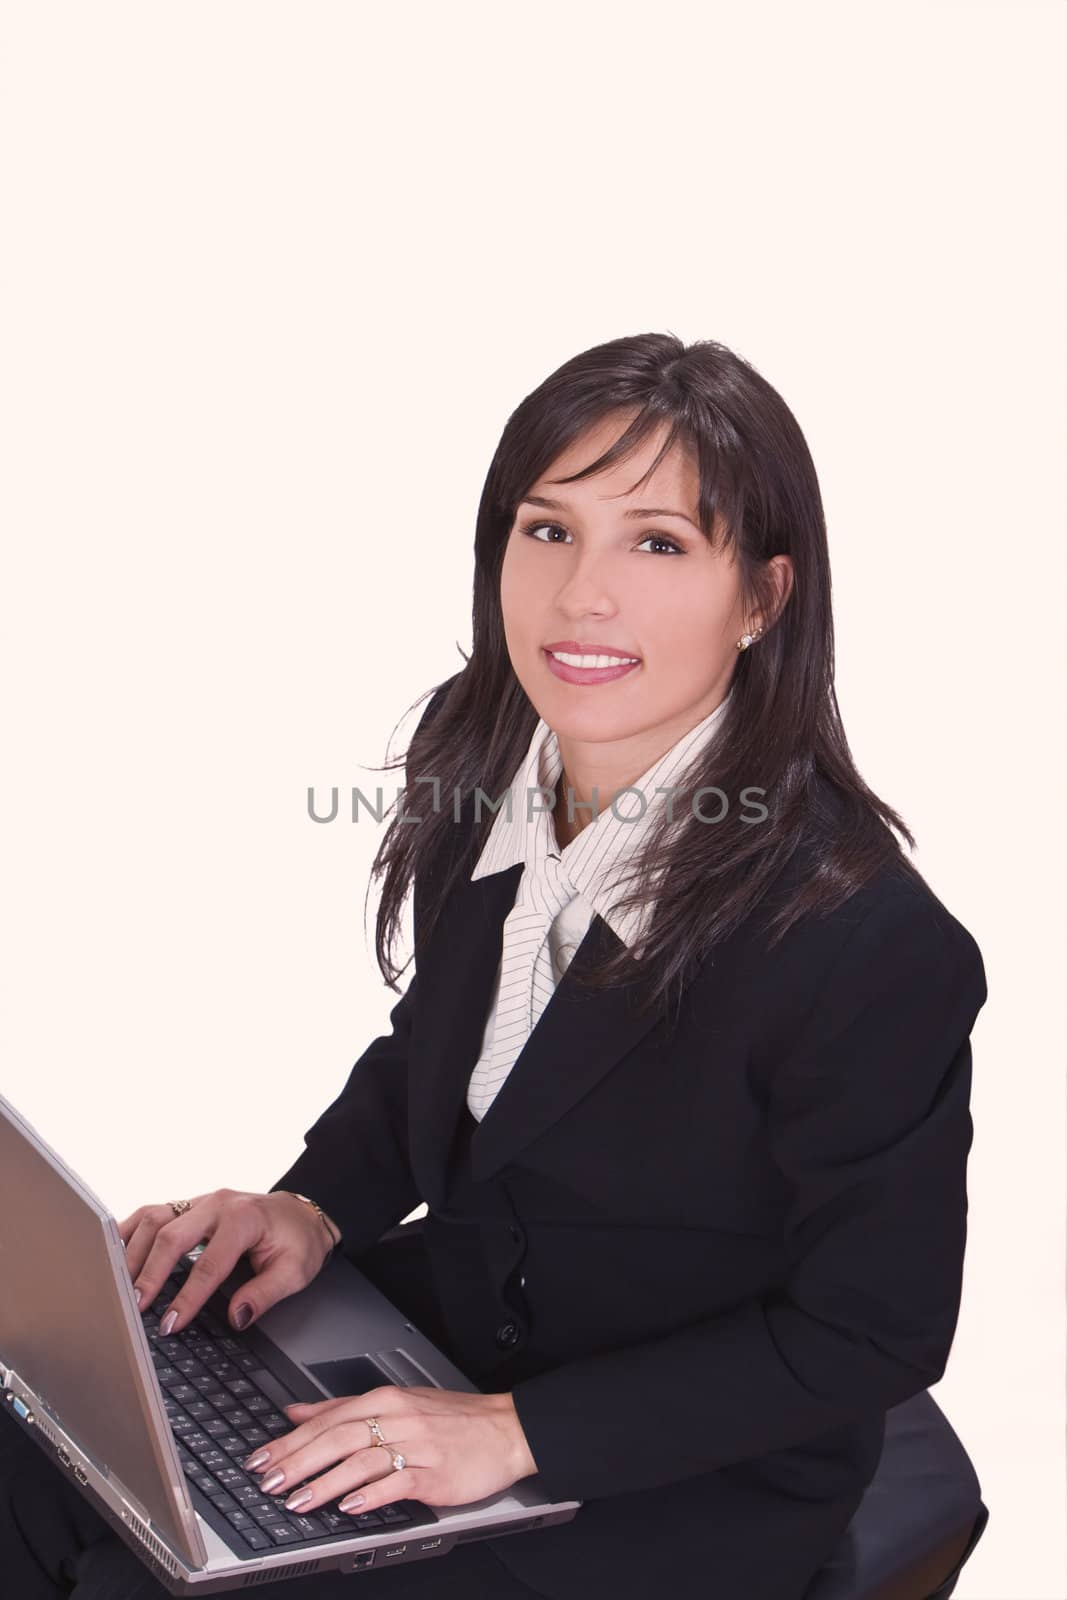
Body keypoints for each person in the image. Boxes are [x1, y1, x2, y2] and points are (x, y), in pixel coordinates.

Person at [0, 333, 988, 1599]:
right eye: (546, 529)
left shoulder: (863, 944)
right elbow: (448, 1045)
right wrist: (308, 1207)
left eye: (657, 542)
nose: (582, 596)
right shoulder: (492, 757)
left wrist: (512, 1434)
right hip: (454, 1333)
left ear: (762, 596)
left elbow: (873, 1329)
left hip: (675, 1467)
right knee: (41, 1454)